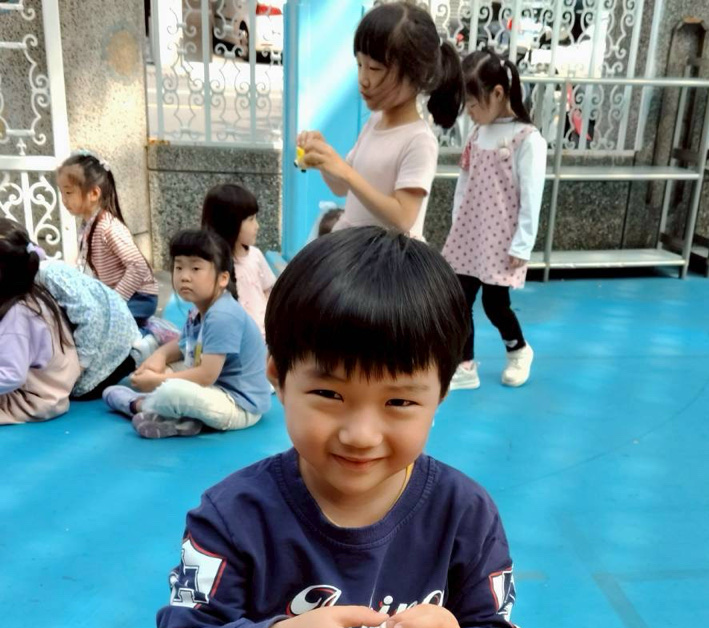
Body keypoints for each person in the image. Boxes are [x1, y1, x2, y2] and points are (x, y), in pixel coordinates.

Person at [145, 227, 524, 628]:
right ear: (279, 379)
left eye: (399, 401)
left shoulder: (464, 514)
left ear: (441, 395)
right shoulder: (232, 516)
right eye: (329, 394)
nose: (361, 435)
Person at [296, 2, 463, 240]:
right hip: (354, 245)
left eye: (374, 68)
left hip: (386, 257)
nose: (363, 79)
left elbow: (403, 218)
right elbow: (341, 188)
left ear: (416, 73)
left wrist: (346, 172)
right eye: (359, 65)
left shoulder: (419, 140)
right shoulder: (375, 122)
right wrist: (324, 159)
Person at [101, 229, 270, 439]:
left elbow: (206, 375)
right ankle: (183, 420)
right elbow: (183, 344)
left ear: (223, 278)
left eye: (195, 268)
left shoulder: (223, 315)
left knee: (171, 392)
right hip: (212, 387)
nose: (184, 277)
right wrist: (159, 357)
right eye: (179, 267)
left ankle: (139, 405)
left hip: (238, 404)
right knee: (153, 369)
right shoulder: (200, 308)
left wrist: (156, 381)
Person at [442, 52, 546, 390]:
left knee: (495, 304)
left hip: (501, 240)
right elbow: (464, 182)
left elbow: (531, 195)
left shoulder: (526, 139)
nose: (469, 112)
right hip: (469, 235)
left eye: (473, 104)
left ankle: (519, 350)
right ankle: (464, 364)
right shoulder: (477, 135)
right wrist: (457, 222)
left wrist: (522, 244)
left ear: (498, 94)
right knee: (458, 300)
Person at [57, 150, 159, 328]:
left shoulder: (109, 227)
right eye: (62, 193)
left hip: (140, 297)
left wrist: (115, 301)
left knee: (98, 326)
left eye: (68, 192)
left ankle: (146, 338)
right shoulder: (88, 224)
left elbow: (138, 266)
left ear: (94, 193)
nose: (64, 200)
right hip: (119, 295)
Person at [0, 219, 80, 425]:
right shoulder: (32, 293)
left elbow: (11, 375)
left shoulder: (17, 315)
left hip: (34, 399)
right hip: (52, 388)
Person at [37, 259, 151, 400]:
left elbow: (89, 316)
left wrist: (79, 367)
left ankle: (137, 352)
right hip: (95, 322)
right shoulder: (38, 278)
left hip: (112, 326)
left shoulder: (50, 277)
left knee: (81, 390)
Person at [201, 182, 275, 338]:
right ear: (229, 223)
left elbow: (269, 291)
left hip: (266, 337)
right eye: (251, 219)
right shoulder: (211, 266)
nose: (257, 226)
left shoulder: (255, 255)